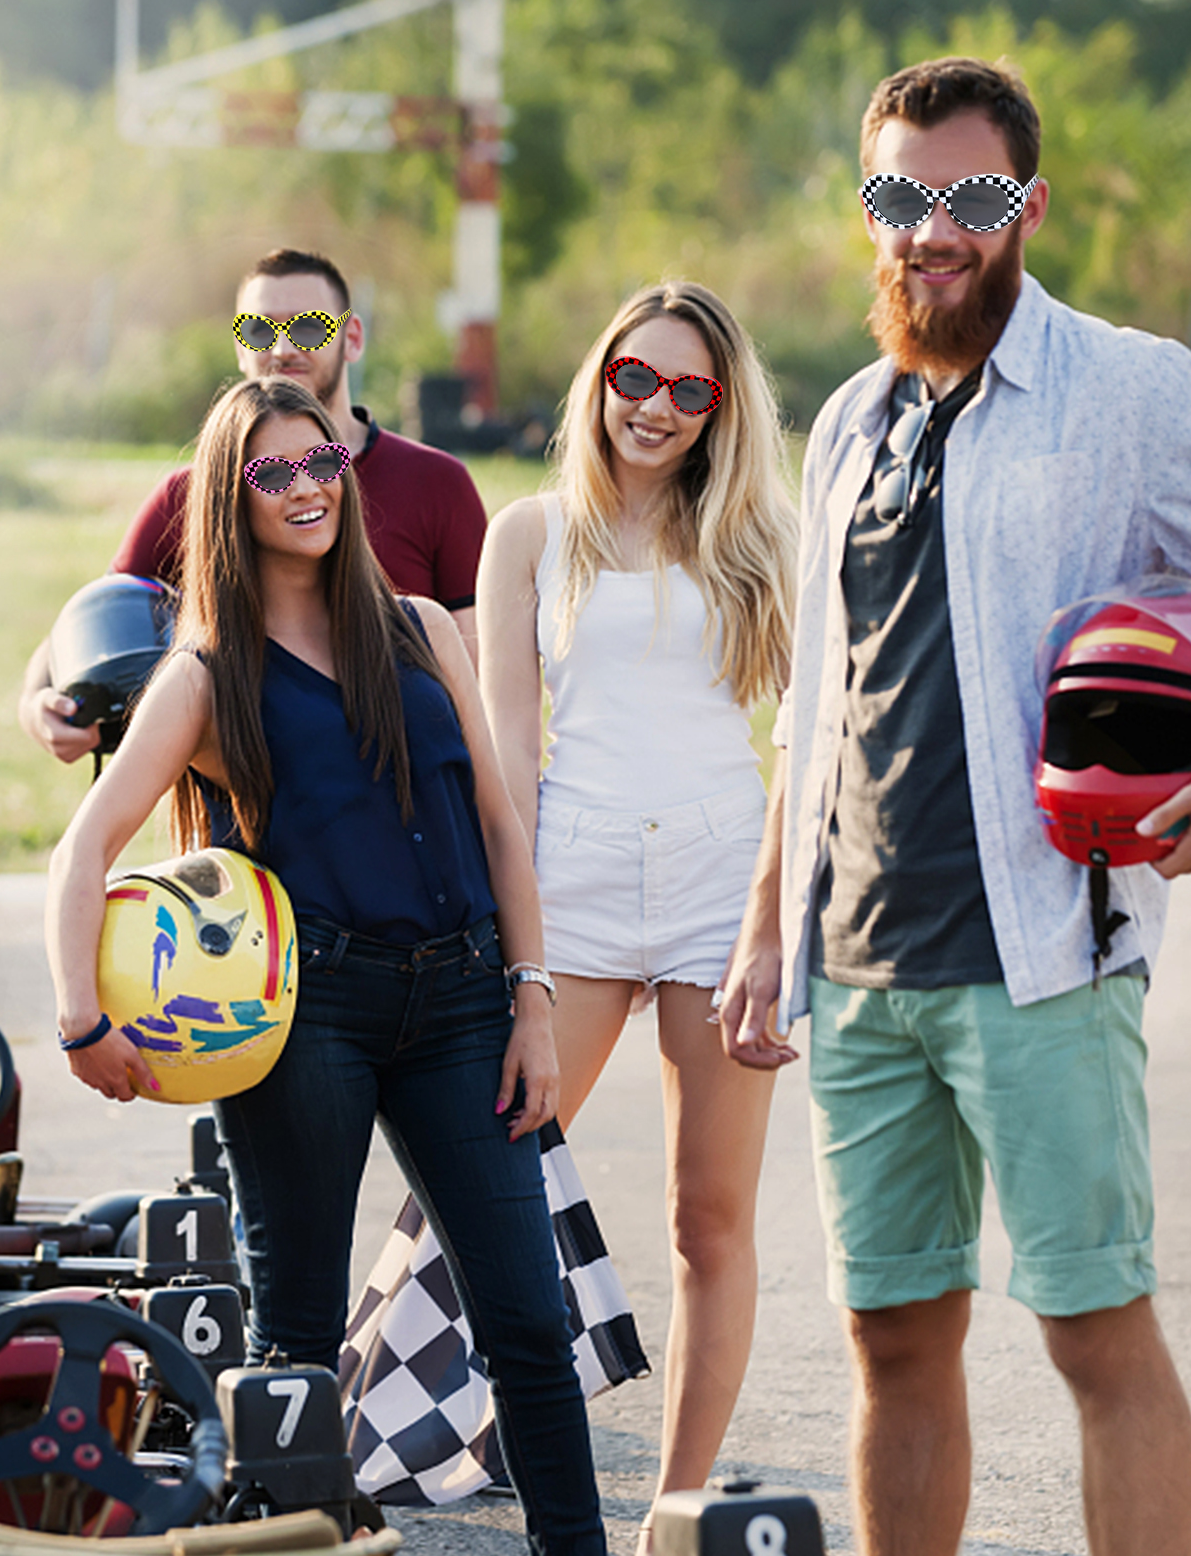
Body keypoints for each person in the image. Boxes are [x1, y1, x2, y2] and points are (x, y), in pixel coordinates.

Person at [718, 56, 1191, 1556]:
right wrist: (767, 931)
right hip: (860, 971)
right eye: (901, 195)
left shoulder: (1125, 387)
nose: (933, 229)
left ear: (1030, 206)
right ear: (867, 207)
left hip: (1043, 959)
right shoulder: (849, 423)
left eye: (974, 196)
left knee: (1093, 1332)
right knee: (891, 1341)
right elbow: (819, 703)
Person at [45, 375, 606, 1556]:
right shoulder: (205, 674)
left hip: (465, 1004)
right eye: (273, 472)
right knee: (295, 1337)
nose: (306, 488)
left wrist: (532, 997)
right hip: (308, 1019)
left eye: (323, 464)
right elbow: (84, 849)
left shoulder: (421, 626)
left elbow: (499, 822)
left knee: (529, 1323)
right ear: (230, 497)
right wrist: (82, 1020)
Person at [478, 282, 797, 1554]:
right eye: (635, 377)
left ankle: (677, 1503)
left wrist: (779, 919)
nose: (655, 407)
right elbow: (508, 750)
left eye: (689, 390)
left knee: (706, 1217)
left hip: (725, 881)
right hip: (576, 879)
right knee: (493, 1183)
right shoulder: (528, 534)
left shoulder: (761, 536)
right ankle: (502, 1453)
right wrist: (517, 948)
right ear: (599, 377)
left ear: (720, 410)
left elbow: (808, 730)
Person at [20, 247, 488, 762]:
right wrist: (38, 703)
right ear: (240, 349)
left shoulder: (437, 483)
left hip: (401, 784)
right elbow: (99, 612)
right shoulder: (190, 495)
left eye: (309, 328)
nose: (282, 348)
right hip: (242, 793)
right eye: (259, 331)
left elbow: (478, 678)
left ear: (352, 338)